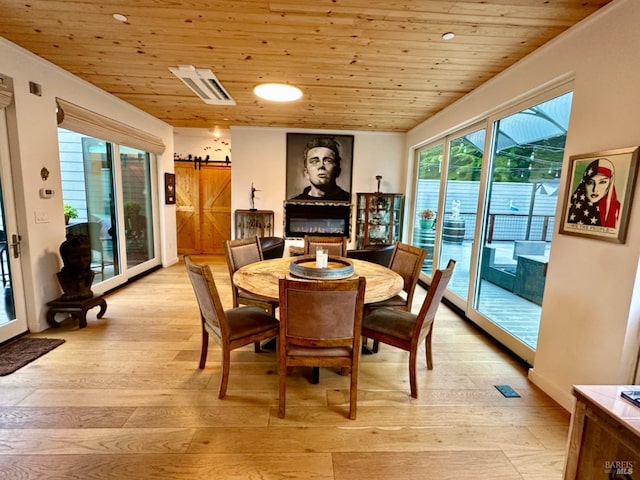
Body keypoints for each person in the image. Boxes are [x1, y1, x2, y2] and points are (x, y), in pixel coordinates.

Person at [292, 136, 350, 201]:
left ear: (338, 171)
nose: (321, 166)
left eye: (328, 161)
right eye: (314, 161)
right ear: (306, 173)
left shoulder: (348, 200)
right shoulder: (294, 203)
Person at [567, 157, 620, 228]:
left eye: (602, 182)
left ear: (610, 183)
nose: (595, 189)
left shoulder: (617, 209)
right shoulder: (573, 205)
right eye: (590, 182)